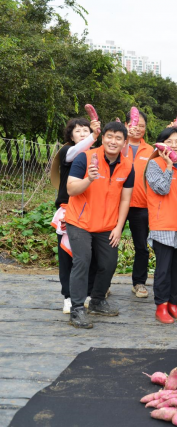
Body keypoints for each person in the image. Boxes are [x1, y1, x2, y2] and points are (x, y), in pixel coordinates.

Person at [65, 121, 134, 328]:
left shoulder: (128, 166)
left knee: (109, 263)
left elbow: (125, 199)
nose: (113, 141)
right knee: (83, 261)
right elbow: (70, 189)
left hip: (107, 225)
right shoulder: (84, 158)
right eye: (109, 136)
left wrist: (119, 227)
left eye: (118, 138)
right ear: (102, 138)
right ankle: (77, 308)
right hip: (80, 222)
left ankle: (96, 301)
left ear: (124, 142)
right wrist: (89, 179)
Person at [52, 117, 100, 313]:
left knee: (90, 256)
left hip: (91, 211)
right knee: (67, 256)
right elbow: (73, 154)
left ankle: (87, 294)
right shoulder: (67, 151)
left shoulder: (95, 155)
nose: (82, 133)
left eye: (85, 130)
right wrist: (94, 135)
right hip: (68, 211)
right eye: (78, 130)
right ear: (70, 135)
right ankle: (68, 297)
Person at [145, 128, 177, 324]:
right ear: (161, 143)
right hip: (163, 225)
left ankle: (173, 303)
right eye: (169, 141)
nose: (174, 145)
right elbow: (162, 188)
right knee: (163, 269)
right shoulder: (154, 164)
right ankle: (161, 306)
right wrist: (168, 165)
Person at [124, 109, 154, 299]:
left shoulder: (151, 151)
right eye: (134, 124)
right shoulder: (117, 145)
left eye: (141, 126)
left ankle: (139, 282)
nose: (137, 129)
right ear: (126, 125)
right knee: (106, 245)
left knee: (141, 246)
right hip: (115, 204)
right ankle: (100, 285)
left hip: (141, 205)